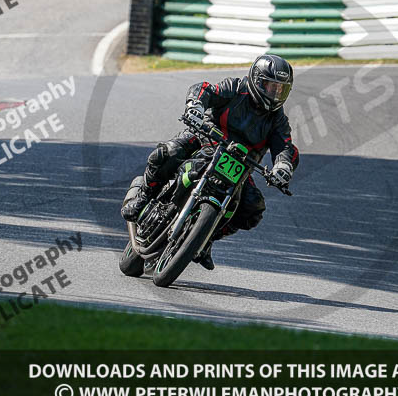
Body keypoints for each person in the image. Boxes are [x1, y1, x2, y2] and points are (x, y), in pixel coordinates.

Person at [121, 54, 299, 271]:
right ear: (256, 80)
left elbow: (286, 148)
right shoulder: (236, 88)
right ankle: (143, 197)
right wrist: (195, 105)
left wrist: (283, 167)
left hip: (240, 166)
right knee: (167, 153)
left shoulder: (278, 120)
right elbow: (205, 89)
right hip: (206, 139)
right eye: (270, 86)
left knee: (253, 209)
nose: (275, 93)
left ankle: (205, 238)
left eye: (281, 89)